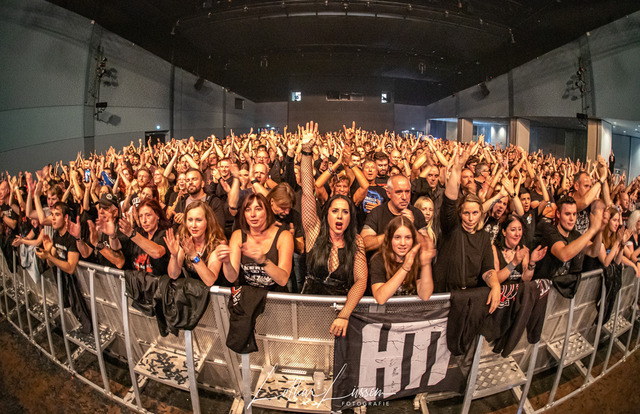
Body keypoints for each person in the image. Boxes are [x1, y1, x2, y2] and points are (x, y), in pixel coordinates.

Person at [298, 121, 368, 337]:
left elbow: (361, 281)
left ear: (350, 217)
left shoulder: (356, 242)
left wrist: (344, 314)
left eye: (345, 212)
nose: (339, 216)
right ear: (326, 214)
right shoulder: (313, 233)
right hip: (309, 312)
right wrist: (306, 153)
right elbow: (308, 192)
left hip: (340, 315)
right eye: (335, 211)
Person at [432, 146, 501, 313]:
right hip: (444, 297)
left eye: (475, 213)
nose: (470, 218)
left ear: (481, 213)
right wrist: (457, 168)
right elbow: (450, 199)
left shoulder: (483, 237)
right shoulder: (451, 228)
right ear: (460, 213)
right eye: (466, 213)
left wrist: (495, 285)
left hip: (470, 299)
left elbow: (488, 269)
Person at [216, 193, 293, 291]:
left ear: (267, 211)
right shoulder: (238, 236)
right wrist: (227, 263)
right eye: (248, 210)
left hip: (275, 296)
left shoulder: (284, 236)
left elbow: (283, 280)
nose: (252, 214)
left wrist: (263, 261)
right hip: (248, 296)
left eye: (258, 209)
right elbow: (232, 278)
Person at [370, 217, 434, 304]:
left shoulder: (417, 259)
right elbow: (380, 298)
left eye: (408, 237)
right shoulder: (378, 260)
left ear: (413, 240)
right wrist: (405, 268)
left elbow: (425, 296)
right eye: (397, 237)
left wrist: (426, 264)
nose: (403, 243)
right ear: (389, 239)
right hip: (386, 312)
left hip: (411, 311)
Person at [164, 200, 226, 286]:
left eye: (198, 220)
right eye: (190, 220)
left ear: (207, 221)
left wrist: (194, 256)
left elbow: (210, 281)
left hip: (215, 292)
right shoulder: (184, 240)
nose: (193, 225)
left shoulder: (217, 244)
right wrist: (174, 256)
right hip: (194, 291)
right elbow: (173, 275)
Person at [361, 174, 427, 252]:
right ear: (389, 193)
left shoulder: (417, 213)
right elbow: (364, 244)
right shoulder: (377, 213)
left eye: (407, 192)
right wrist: (394, 232)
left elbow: (427, 246)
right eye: (399, 192)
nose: (404, 197)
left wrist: (411, 228)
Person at [118, 198, 171, 276]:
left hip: (157, 282)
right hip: (138, 282)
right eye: (141, 216)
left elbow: (158, 252)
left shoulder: (166, 234)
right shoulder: (138, 232)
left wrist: (131, 233)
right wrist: (112, 235)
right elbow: (117, 246)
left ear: (157, 216)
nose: (144, 220)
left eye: (148, 215)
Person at [492, 214, 547, 284]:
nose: (517, 234)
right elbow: (495, 280)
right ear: (504, 232)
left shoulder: (523, 249)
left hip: (518, 289)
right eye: (513, 230)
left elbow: (526, 279)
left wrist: (532, 262)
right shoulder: (494, 249)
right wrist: (514, 263)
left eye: (520, 229)